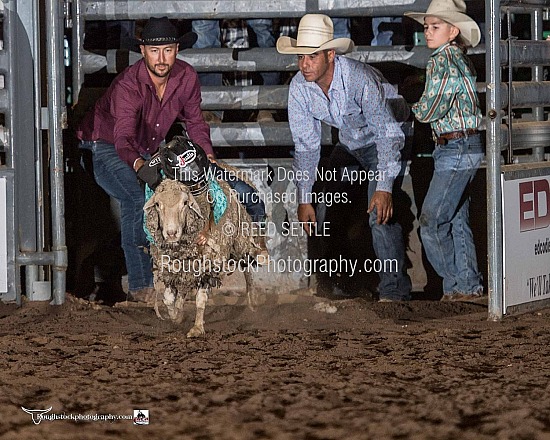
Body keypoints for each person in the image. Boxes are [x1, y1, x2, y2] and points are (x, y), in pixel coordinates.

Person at [276, 14, 412, 302]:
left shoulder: (359, 79)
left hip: (386, 139)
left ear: (330, 55)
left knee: (379, 211)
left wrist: (384, 186)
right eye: (301, 57)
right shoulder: (300, 87)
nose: (304, 64)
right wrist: (304, 197)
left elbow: (387, 134)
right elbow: (306, 145)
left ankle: (394, 292)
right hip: (351, 143)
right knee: (321, 203)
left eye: (311, 56)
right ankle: (329, 283)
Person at [76, 17, 211, 302]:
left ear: (176, 49)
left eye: (167, 50)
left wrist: (208, 157)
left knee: (152, 203)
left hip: (143, 148)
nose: (161, 59)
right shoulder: (128, 85)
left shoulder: (186, 77)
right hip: (104, 144)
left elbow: (195, 123)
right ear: (144, 51)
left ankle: (109, 270)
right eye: (153, 51)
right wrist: (141, 166)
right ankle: (141, 286)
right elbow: (122, 138)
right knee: (138, 199)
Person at [405, 0, 484, 301]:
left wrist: (412, 104)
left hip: (454, 147)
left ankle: (456, 284)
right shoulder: (460, 58)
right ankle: (467, 285)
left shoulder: (440, 61)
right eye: (426, 26)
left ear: (452, 31)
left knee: (431, 221)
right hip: (465, 144)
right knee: (456, 220)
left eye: (435, 27)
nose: (428, 31)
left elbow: (430, 110)